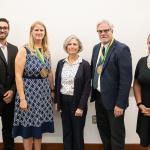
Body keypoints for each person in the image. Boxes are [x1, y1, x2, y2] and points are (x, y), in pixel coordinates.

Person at [12, 21, 54, 150]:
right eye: (36, 30)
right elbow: (18, 75)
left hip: (43, 94)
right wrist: (22, 98)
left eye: (41, 30)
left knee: (39, 126)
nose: (39, 32)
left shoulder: (46, 50)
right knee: (28, 128)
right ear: (31, 32)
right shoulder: (24, 50)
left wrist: (52, 90)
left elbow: (49, 72)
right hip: (28, 93)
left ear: (44, 33)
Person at [90, 20, 132, 150]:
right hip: (99, 98)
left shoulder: (121, 49)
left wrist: (120, 103)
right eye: (100, 31)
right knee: (104, 132)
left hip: (115, 102)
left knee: (116, 135)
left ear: (112, 31)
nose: (103, 33)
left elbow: (126, 80)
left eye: (106, 30)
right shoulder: (96, 48)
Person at [54, 35, 91, 150]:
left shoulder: (84, 64)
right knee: (67, 132)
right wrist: (57, 101)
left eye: (74, 44)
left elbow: (87, 87)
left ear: (79, 47)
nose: (72, 46)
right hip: (64, 101)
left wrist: (81, 107)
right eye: (69, 44)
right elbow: (57, 83)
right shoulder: (61, 63)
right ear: (66, 46)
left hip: (78, 103)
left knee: (77, 133)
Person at [0, 18, 18, 150]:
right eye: (0, 27)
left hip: (10, 97)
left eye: (5, 27)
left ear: (8, 30)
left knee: (8, 128)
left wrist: (12, 91)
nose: (2, 30)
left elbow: (18, 74)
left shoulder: (14, 49)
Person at [133, 34, 150, 149]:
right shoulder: (142, 61)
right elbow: (137, 82)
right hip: (145, 110)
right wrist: (139, 104)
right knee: (145, 142)